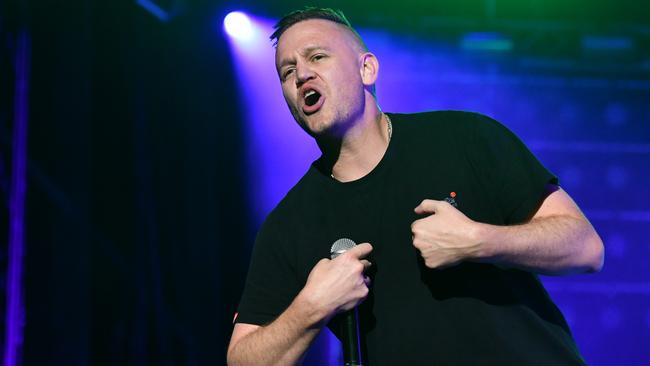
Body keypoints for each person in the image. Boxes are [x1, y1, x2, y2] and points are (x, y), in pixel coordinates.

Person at [227, 7, 604, 366]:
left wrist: (479, 240)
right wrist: (311, 306)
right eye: (287, 71)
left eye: (317, 57)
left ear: (367, 69)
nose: (301, 75)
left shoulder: (465, 137)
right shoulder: (290, 223)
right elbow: (242, 356)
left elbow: (585, 248)